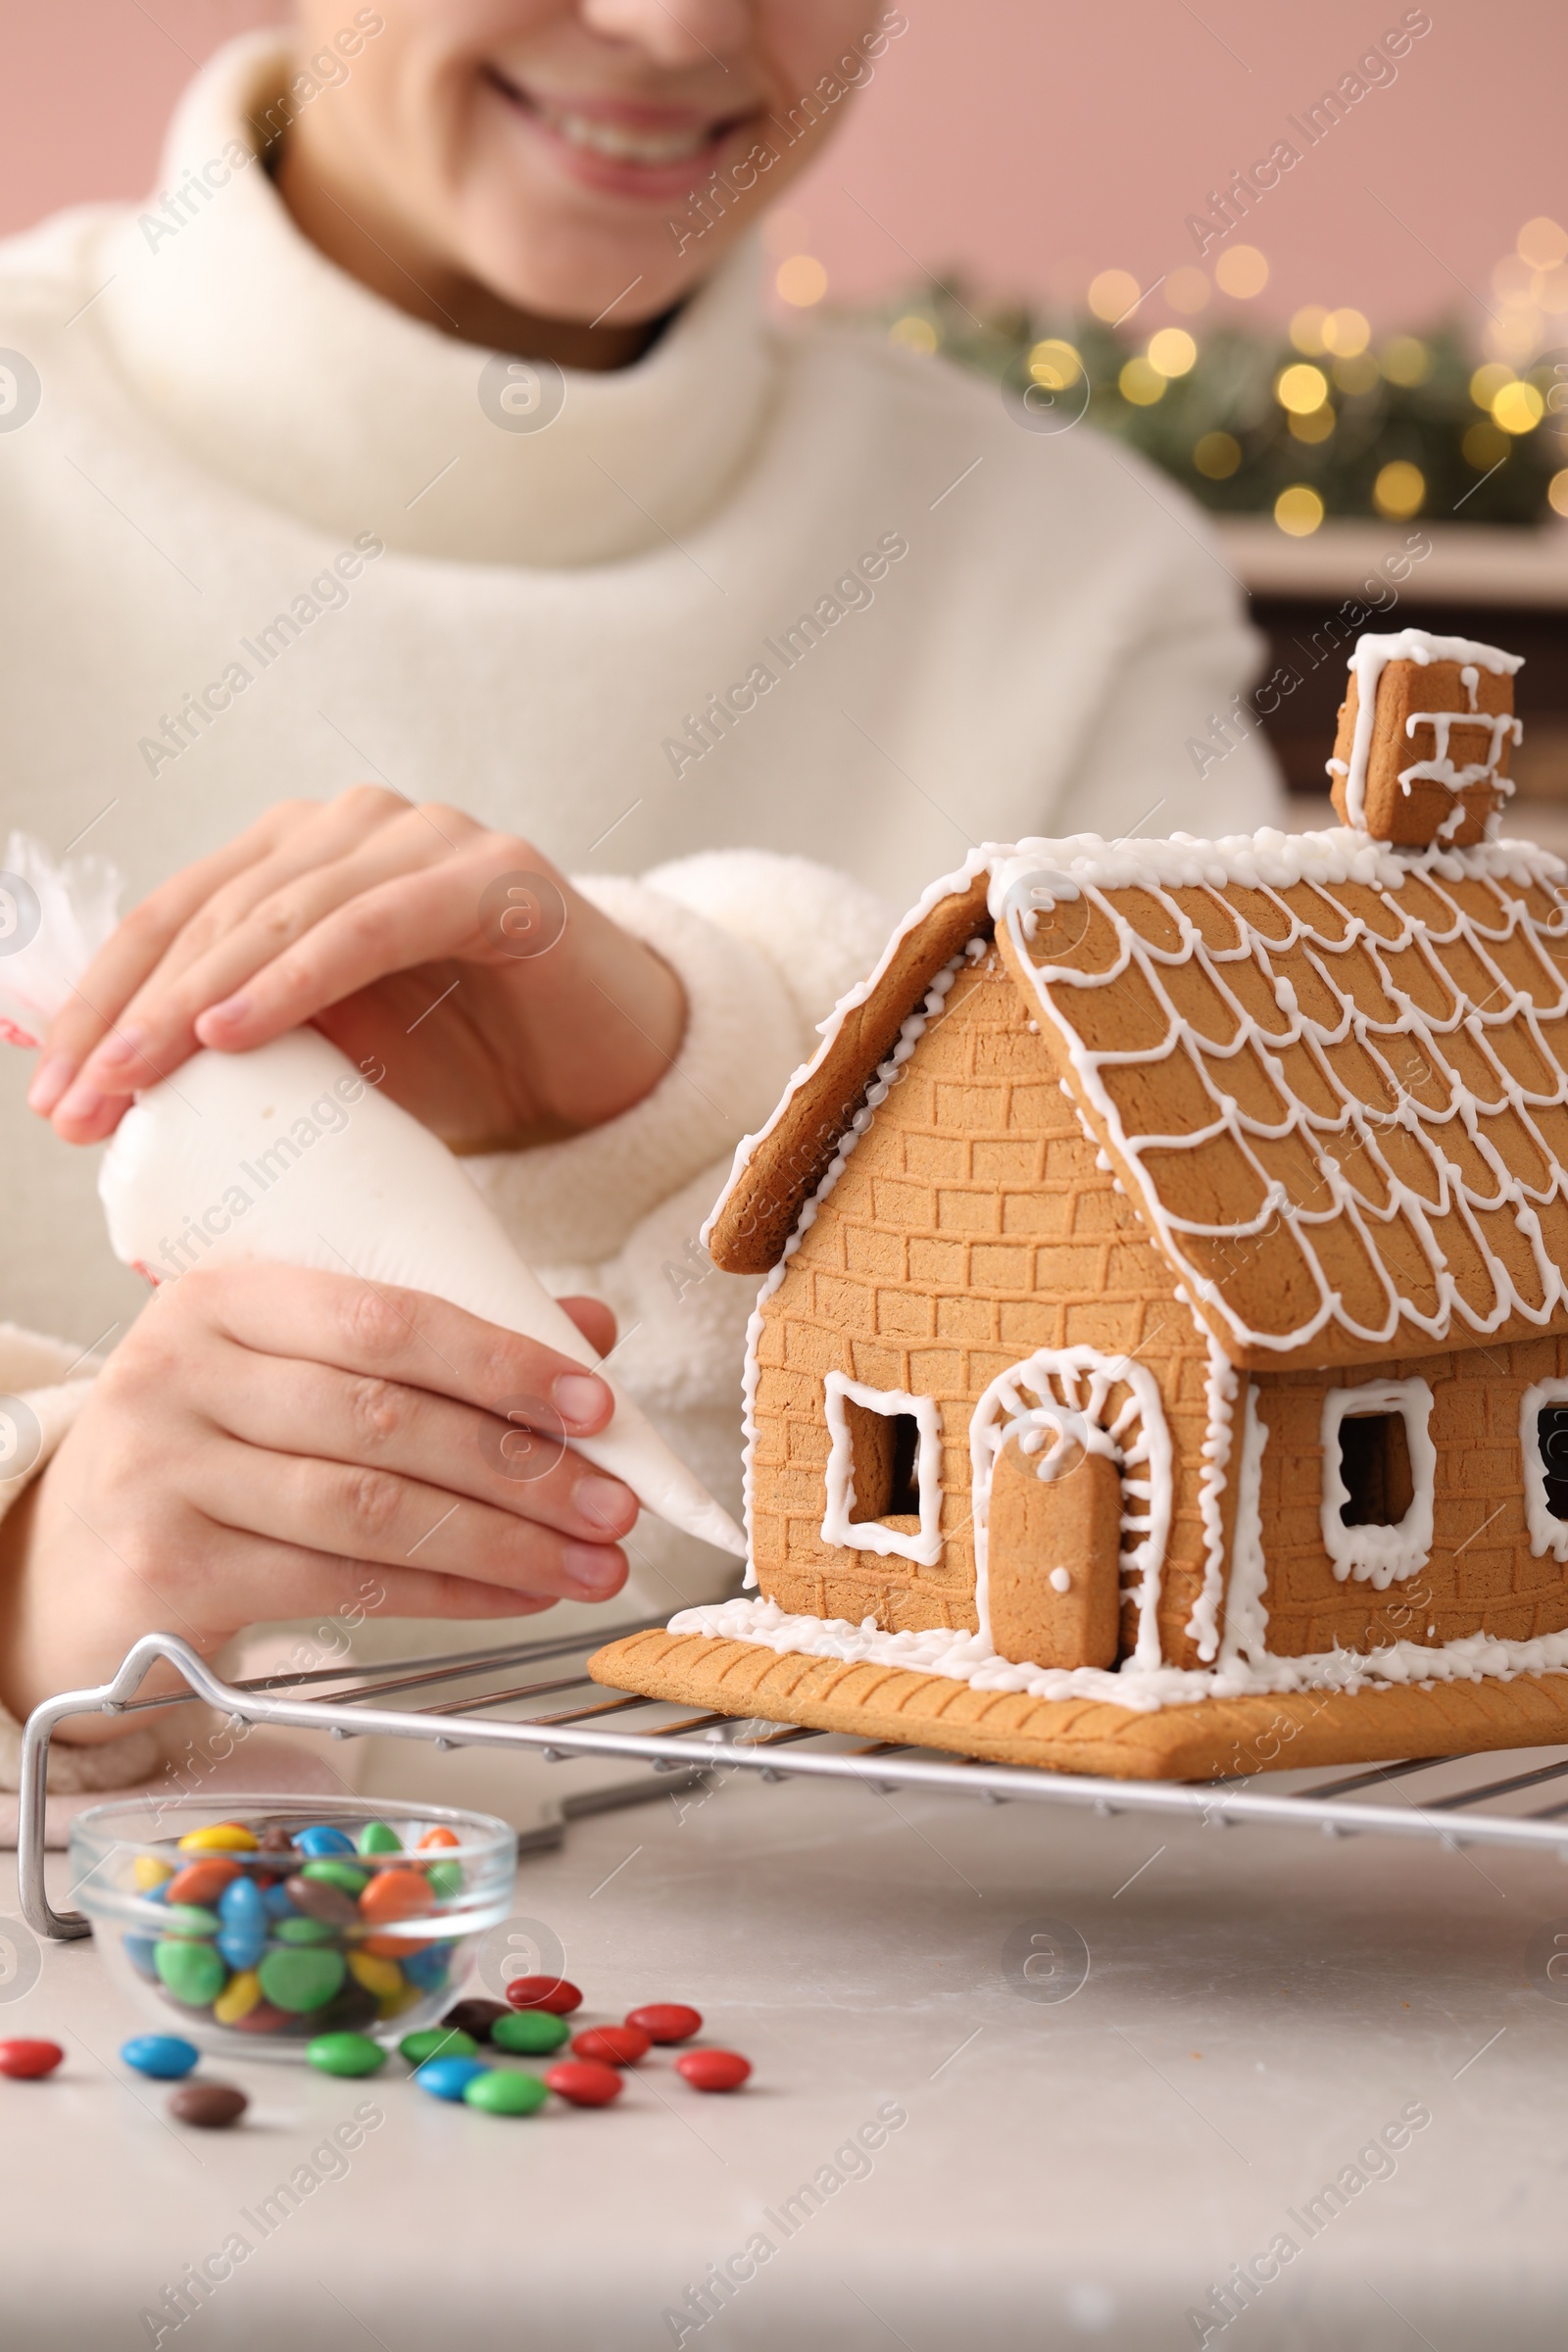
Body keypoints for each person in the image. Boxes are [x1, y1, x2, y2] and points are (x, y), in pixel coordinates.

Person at [0, 0, 1281, 1784]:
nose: (675, 22)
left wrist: (706, 1076)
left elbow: (1274, 1410)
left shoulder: (1055, 573)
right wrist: (20, 1568)